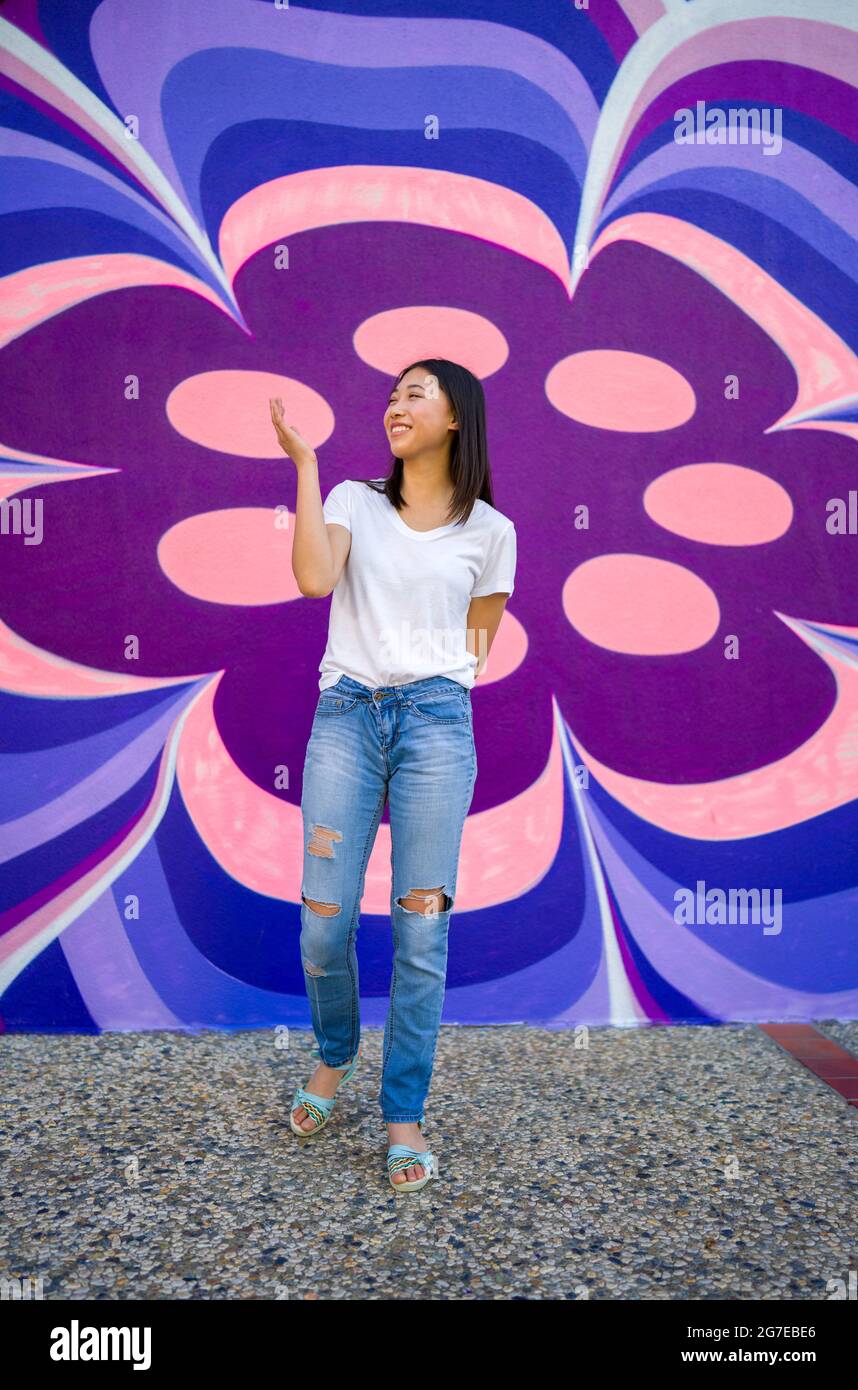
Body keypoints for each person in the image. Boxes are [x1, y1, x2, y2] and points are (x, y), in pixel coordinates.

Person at [268, 358, 517, 1192]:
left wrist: (439, 687)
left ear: (456, 418)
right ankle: (336, 1054)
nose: (396, 403)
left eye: (417, 391)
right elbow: (312, 579)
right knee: (322, 924)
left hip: (438, 727)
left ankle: (403, 1113)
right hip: (346, 717)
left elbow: (481, 637)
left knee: (421, 929)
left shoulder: (490, 531)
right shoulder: (350, 500)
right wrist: (304, 470)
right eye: (391, 393)